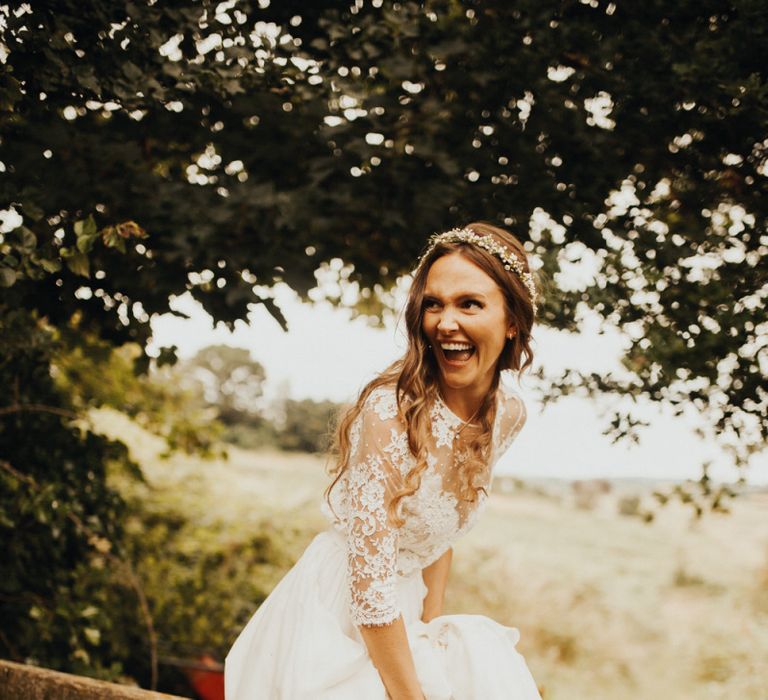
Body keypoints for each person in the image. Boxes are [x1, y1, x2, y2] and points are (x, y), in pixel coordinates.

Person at [225, 222, 542, 699]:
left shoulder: (507, 415)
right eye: (433, 303)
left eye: (469, 303)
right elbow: (370, 595)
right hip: (339, 614)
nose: (444, 322)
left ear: (512, 320)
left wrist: (431, 638)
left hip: (407, 611)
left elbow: (440, 537)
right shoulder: (390, 412)